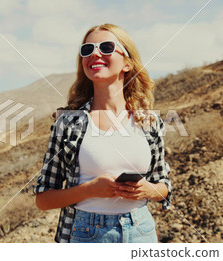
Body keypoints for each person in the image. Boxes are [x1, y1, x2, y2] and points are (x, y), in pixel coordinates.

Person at [32, 24, 172, 243]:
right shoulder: (68, 123)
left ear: (127, 63)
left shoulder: (149, 122)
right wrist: (89, 189)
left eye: (106, 47)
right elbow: (43, 199)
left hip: (141, 232)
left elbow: (164, 187)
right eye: (87, 49)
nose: (95, 53)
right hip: (85, 234)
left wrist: (147, 190)